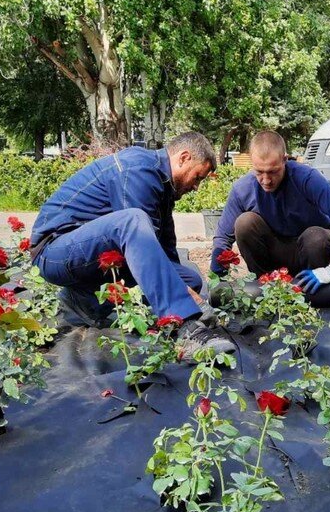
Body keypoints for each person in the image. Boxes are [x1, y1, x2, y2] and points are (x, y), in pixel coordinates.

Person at [29, 132, 234, 356]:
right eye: (197, 178)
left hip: (86, 255)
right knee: (132, 220)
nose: (196, 187)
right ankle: (186, 330)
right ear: (183, 158)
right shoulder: (138, 170)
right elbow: (139, 246)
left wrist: (192, 295)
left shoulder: (163, 186)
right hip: (54, 251)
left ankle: (85, 300)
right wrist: (191, 309)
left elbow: (165, 251)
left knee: (189, 279)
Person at [209, 131, 330, 293]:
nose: (266, 180)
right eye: (259, 172)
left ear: (285, 160)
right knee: (245, 223)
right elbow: (222, 239)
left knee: (318, 237)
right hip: (272, 256)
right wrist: (217, 281)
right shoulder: (243, 189)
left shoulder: (307, 179)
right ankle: (265, 289)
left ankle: (314, 292)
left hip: (310, 255)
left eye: (273, 171)